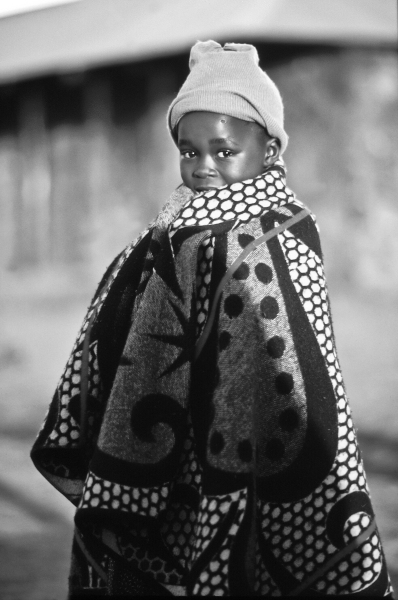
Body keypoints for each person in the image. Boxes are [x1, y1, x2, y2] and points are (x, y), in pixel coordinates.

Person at [31, 40, 394, 597]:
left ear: (270, 150)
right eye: (188, 151)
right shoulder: (170, 227)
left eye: (223, 152)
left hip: (253, 442)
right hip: (172, 450)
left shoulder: (284, 233)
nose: (203, 167)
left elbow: (293, 364)